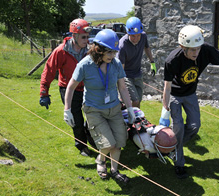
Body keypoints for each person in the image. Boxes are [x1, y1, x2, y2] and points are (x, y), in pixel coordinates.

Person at [159, 25, 219, 179]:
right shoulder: (172, 60)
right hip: (175, 95)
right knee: (178, 127)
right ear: (183, 47)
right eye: (192, 50)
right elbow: (167, 88)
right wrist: (165, 110)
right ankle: (179, 164)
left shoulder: (204, 49)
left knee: (194, 126)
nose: (196, 53)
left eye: (198, 49)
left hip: (190, 94)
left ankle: (174, 145)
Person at [63, 29, 136, 183]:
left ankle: (115, 171)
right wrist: (67, 110)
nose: (112, 56)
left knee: (119, 142)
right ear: (98, 49)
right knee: (107, 144)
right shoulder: (85, 64)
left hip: (114, 108)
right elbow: (70, 87)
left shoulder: (115, 64)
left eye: (114, 52)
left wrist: (129, 108)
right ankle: (100, 160)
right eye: (108, 52)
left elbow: (122, 87)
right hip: (94, 110)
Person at [39, 19, 96, 157]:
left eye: (88, 37)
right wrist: (44, 92)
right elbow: (49, 70)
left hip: (87, 89)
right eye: (83, 37)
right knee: (76, 120)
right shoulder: (61, 51)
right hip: (68, 89)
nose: (86, 40)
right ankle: (82, 147)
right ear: (74, 36)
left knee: (93, 117)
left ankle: (96, 142)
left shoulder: (90, 51)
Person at [116, 17, 156, 108]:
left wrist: (152, 62)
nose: (136, 39)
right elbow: (120, 69)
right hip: (126, 75)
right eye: (133, 36)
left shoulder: (143, 36)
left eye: (138, 35)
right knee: (135, 100)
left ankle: (137, 119)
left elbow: (147, 48)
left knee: (139, 100)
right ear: (127, 33)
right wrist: (120, 86)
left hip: (138, 73)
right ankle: (130, 118)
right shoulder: (122, 45)